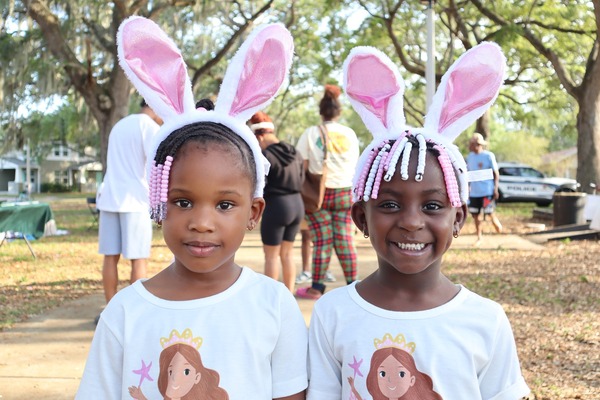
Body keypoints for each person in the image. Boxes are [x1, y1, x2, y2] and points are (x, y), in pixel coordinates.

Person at [77, 17, 307, 399]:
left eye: (224, 204)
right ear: (158, 203)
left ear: (253, 212)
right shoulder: (125, 313)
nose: (202, 223)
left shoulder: (274, 305)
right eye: (183, 202)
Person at [306, 44, 530, 399]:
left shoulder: (486, 321)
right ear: (361, 217)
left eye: (432, 206)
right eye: (391, 204)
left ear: (458, 218)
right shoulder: (332, 314)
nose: (411, 222)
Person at [295, 84, 360, 300]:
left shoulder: (310, 133)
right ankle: (353, 285)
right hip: (345, 192)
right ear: (339, 112)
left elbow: (301, 166)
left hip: (318, 196)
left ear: (321, 111)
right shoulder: (350, 134)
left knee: (322, 240)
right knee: (344, 240)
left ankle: (317, 287)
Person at [96, 98, 162, 308]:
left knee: (110, 258)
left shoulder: (120, 125)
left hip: (109, 197)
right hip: (135, 200)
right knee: (138, 259)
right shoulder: (149, 126)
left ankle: (109, 309)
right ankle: (136, 312)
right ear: (155, 105)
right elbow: (155, 165)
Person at [250, 111, 305, 292]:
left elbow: (260, 186)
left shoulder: (265, 156)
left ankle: (271, 300)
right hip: (297, 205)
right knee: (287, 254)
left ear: (260, 136)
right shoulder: (295, 152)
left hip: (277, 207)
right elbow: (302, 178)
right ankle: (288, 296)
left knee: (271, 256)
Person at [466, 132, 503, 245]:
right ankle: (479, 236)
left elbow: (496, 173)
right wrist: (468, 189)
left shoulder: (488, 156)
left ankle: (495, 222)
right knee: (476, 215)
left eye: (472, 144)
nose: (470, 146)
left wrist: (495, 188)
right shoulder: (469, 157)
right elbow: (468, 174)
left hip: (486, 191)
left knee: (489, 212)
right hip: (474, 193)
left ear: (478, 144)